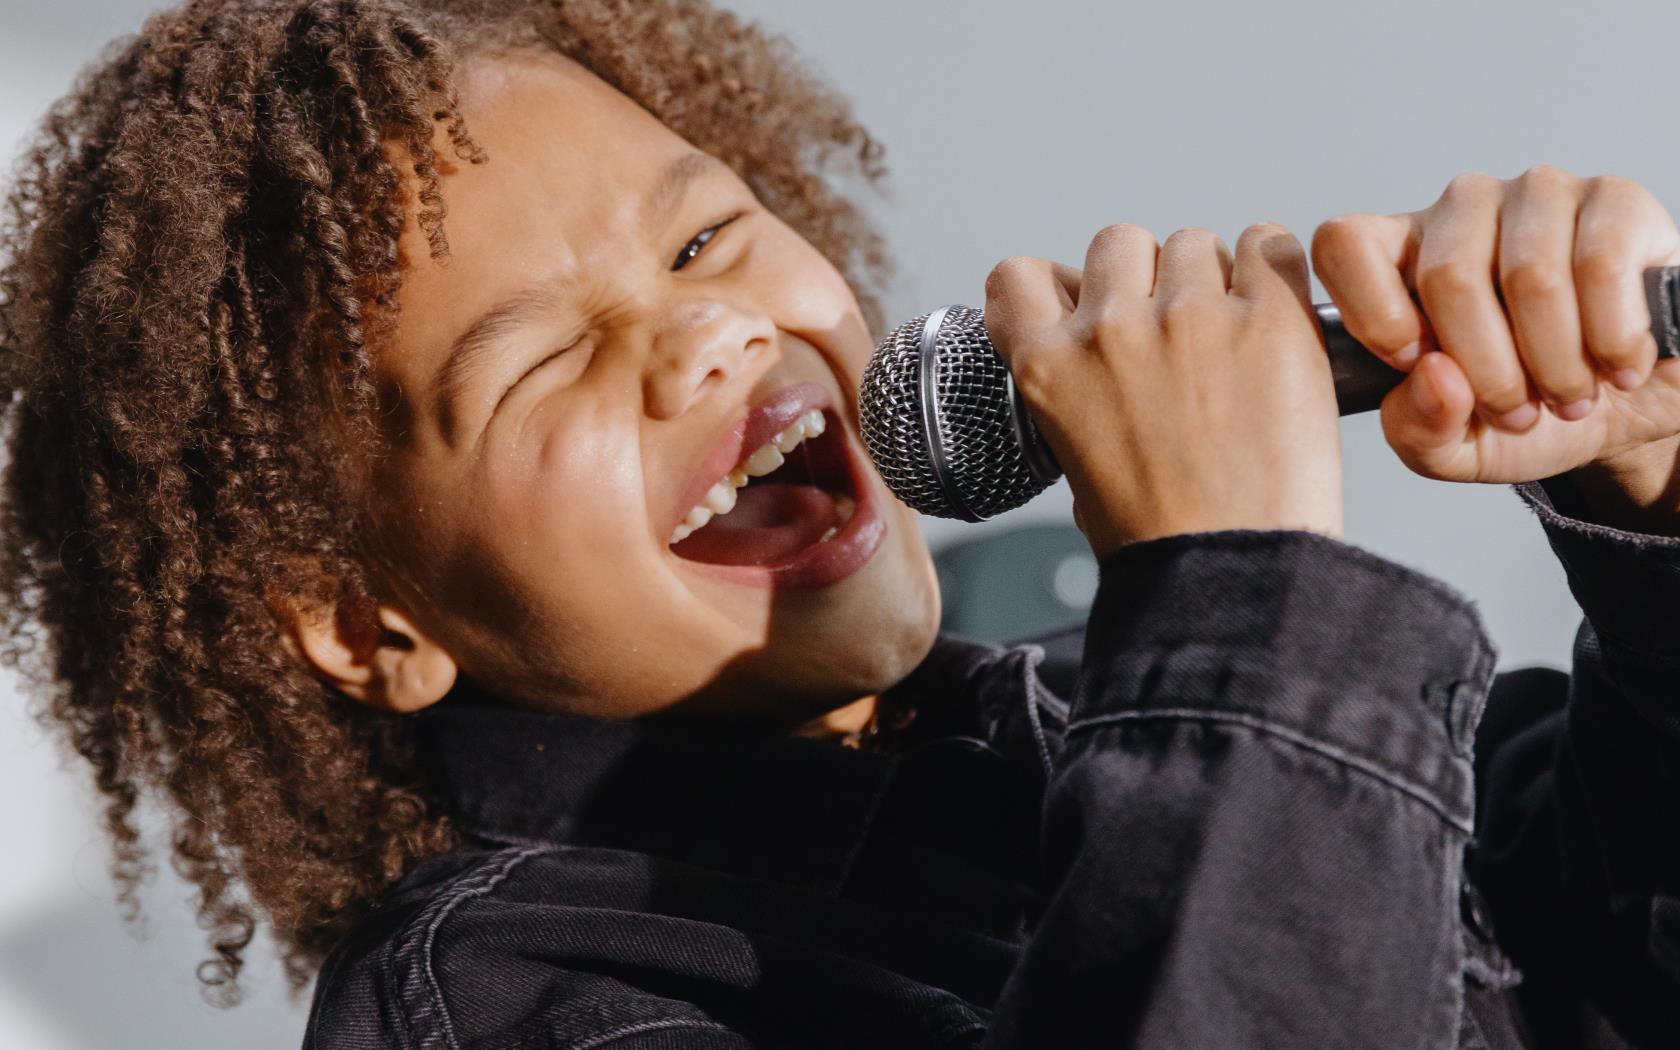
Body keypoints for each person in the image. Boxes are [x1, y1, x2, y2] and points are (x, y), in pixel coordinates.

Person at [0, 0, 1675, 1046]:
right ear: (374, 627)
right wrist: (1238, 601)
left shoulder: (1089, 707)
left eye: (703, 241)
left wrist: (1653, 495)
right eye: (544, 363)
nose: (704, 334)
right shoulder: (514, 1001)